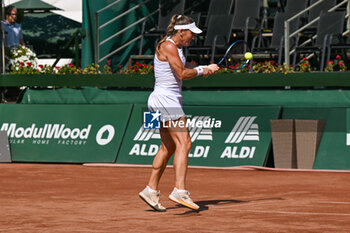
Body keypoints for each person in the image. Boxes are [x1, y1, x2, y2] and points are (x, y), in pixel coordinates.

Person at [139, 14, 219, 212]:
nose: (193, 37)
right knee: (185, 142)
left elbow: (181, 69)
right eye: (191, 33)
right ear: (181, 31)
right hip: (165, 100)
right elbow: (182, 74)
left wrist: (205, 68)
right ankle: (180, 190)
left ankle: (150, 189)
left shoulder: (176, 47)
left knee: (167, 147)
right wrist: (202, 70)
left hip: (158, 101)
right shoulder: (168, 46)